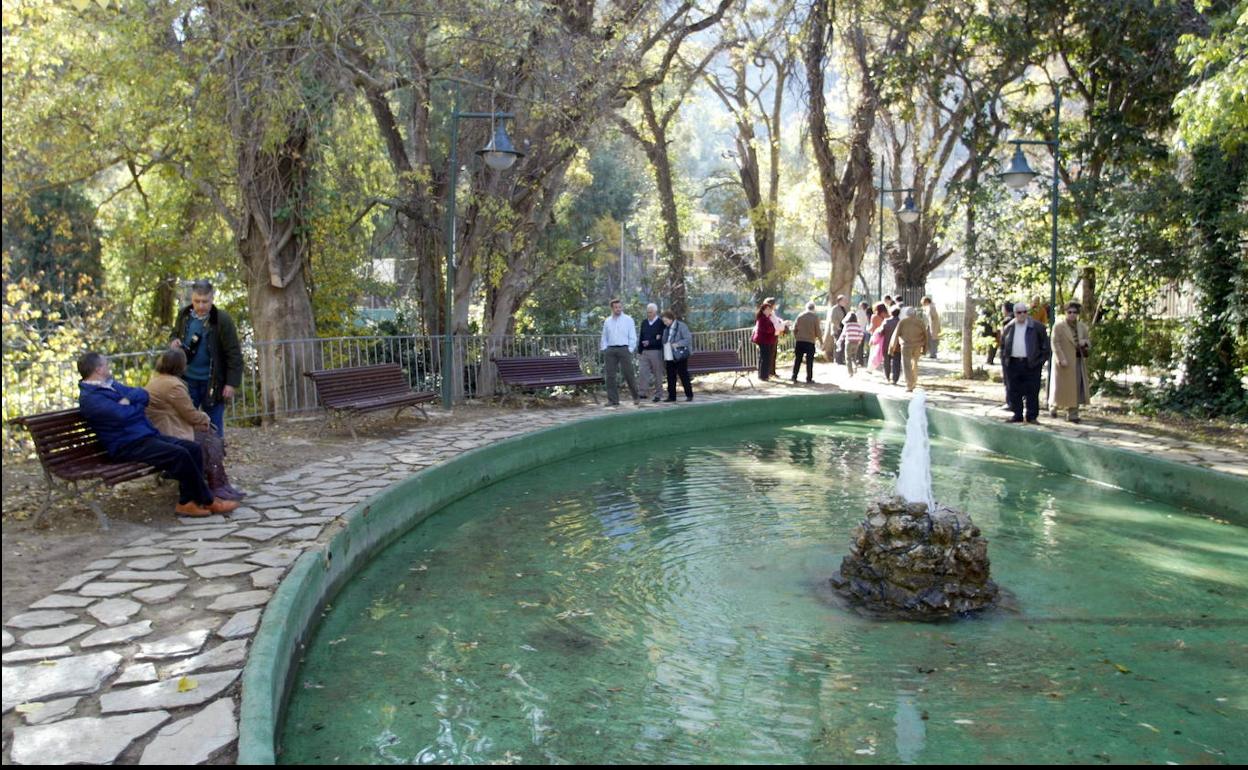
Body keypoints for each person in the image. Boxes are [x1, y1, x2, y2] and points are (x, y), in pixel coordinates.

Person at [76, 351, 238, 518]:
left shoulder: (110, 385)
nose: (108, 367)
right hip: (127, 444)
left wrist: (128, 402)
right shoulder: (91, 398)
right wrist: (133, 405)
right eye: (106, 364)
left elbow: (143, 394)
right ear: (99, 369)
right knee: (180, 454)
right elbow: (122, 415)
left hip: (144, 435)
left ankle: (187, 502)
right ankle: (208, 500)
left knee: (193, 448)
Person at [146, 348, 246, 500]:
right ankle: (216, 485)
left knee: (208, 435)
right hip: (168, 430)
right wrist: (205, 418)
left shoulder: (158, 380)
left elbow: (185, 414)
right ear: (180, 366)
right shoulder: (173, 385)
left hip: (164, 427)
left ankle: (218, 483)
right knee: (209, 439)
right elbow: (190, 414)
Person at [171, 279, 243, 437]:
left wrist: (231, 383)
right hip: (187, 379)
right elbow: (175, 333)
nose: (201, 306)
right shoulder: (184, 315)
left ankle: (216, 457)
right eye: (197, 301)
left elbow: (234, 353)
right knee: (186, 422)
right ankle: (192, 455)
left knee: (215, 424)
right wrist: (174, 341)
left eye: (205, 301)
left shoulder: (222, 319)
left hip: (213, 381)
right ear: (192, 299)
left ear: (212, 299)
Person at [1001, 302, 1052, 424]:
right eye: (1019, 312)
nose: (1022, 314)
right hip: (1013, 363)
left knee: (1032, 391)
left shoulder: (1037, 327)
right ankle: (1017, 414)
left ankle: (1032, 416)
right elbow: (1003, 346)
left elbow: (1046, 347)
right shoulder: (1009, 327)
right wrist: (1006, 361)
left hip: (1031, 364)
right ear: (1014, 314)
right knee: (1014, 390)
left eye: (1024, 312)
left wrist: (1039, 362)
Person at [1050, 301, 1092, 423]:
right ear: (1065, 313)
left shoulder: (1082, 327)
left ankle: (1073, 414)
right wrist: (1060, 358)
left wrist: (1085, 342)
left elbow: (1088, 341)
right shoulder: (1058, 326)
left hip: (1077, 361)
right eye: (1070, 312)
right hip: (1063, 361)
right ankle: (1054, 406)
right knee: (1060, 388)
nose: (1072, 315)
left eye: (1075, 312)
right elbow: (1055, 343)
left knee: (1076, 388)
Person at [600, 299, 641, 407]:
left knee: (629, 373)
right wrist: (605, 348)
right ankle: (613, 400)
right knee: (610, 376)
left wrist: (630, 349)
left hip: (624, 349)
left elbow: (633, 335)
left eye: (619, 307)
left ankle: (636, 397)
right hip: (611, 350)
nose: (618, 309)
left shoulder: (628, 319)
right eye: (616, 307)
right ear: (612, 308)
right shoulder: (607, 321)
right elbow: (604, 336)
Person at [889, 306, 928, 392]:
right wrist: (925, 348)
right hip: (918, 346)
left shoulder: (902, 322)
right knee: (915, 363)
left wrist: (892, 348)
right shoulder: (920, 322)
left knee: (907, 365)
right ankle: (914, 381)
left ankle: (909, 385)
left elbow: (895, 335)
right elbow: (926, 335)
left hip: (906, 346)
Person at [661, 310, 694, 401]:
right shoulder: (666, 329)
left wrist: (678, 344)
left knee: (683, 374)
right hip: (669, 354)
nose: (665, 323)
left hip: (680, 354)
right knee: (670, 375)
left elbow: (688, 339)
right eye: (664, 321)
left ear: (671, 319)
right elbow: (664, 340)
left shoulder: (681, 326)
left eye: (666, 320)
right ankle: (672, 396)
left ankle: (689, 395)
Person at [637, 303, 666, 403]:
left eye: (650, 312)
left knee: (657, 373)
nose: (648, 314)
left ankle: (658, 393)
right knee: (643, 372)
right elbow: (641, 336)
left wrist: (650, 342)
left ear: (655, 312)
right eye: (647, 312)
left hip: (656, 351)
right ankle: (642, 392)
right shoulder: (644, 322)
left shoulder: (660, 323)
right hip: (644, 352)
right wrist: (639, 350)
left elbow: (661, 338)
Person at [791, 301, 822, 383]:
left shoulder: (800, 316)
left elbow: (794, 328)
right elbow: (818, 331)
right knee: (809, 361)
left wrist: (796, 337)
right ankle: (809, 378)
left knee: (798, 359)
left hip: (800, 341)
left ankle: (794, 376)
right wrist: (821, 341)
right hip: (810, 341)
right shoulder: (815, 317)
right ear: (814, 308)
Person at [752, 301, 779, 381]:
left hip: (768, 340)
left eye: (770, 309)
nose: (769, 311)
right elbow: (766, 329)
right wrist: (774, 328)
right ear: (763, 310)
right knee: (765, 358)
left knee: (764, 358)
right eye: (767, 309)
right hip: (764, 341)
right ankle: (763, 375)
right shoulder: (762, 319)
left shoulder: (767, 318)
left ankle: (763, 375)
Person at [763, 297, 789, 378]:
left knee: (773, 354)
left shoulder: (772, 313)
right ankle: (768, 372)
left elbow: (777, 320)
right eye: (775, 304)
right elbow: (776, 325)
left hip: (774, 336)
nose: (776, 305)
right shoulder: (768, 314)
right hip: (770, 336)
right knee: (769, 355)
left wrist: (782, 322)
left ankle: (772, 372)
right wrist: (783, 324)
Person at [838, 312, 865, 377]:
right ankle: (855, 366)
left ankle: (850, 372)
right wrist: (859, 341)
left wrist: (839, 341)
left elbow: (843, 334)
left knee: (848, 357)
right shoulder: (858, 325)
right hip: (856, 343)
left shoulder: (847, 325)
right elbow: (861, 334)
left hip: (849, 342)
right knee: (854, 356)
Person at [880, 306, 902, 385]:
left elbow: (881, 332)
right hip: (897, 345)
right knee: (897, 362)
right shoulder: (901, 322)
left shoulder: (886, 321)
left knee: (887, 361)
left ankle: (887, 376)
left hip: (887, 344)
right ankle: (895, 379)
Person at [829, 295, 850, 364]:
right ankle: (837, 360)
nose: (845, 302)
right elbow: (833, 319)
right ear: (839, 301)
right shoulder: (834, 308)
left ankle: (841, 359)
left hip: (844, 329)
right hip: (837, 329)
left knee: (843, 344)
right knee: (838, 343)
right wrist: (838, 327)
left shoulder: (844, 308)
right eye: (843, 300)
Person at [868, 302, 889, 370]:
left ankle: (871, 367)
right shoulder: (888, 316)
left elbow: (872, 328)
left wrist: (868, 329)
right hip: (885, 336)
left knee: (873, 352)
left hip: (876, 336)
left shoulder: (874, 317)